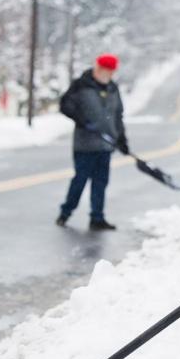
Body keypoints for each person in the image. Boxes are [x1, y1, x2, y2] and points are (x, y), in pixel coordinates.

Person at [57, 54, 129, 231]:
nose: (107, 74)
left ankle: (97, 217)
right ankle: (65, 213)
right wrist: (81, 119)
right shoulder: (81, 85)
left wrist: (121, 138)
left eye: (110, 72)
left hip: (106, 144)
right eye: (104, 70)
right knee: (80, 180)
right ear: (97, 68)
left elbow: (117, 116)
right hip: (85, 144)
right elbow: (65, 105)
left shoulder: (113, 89)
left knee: (101, 182)